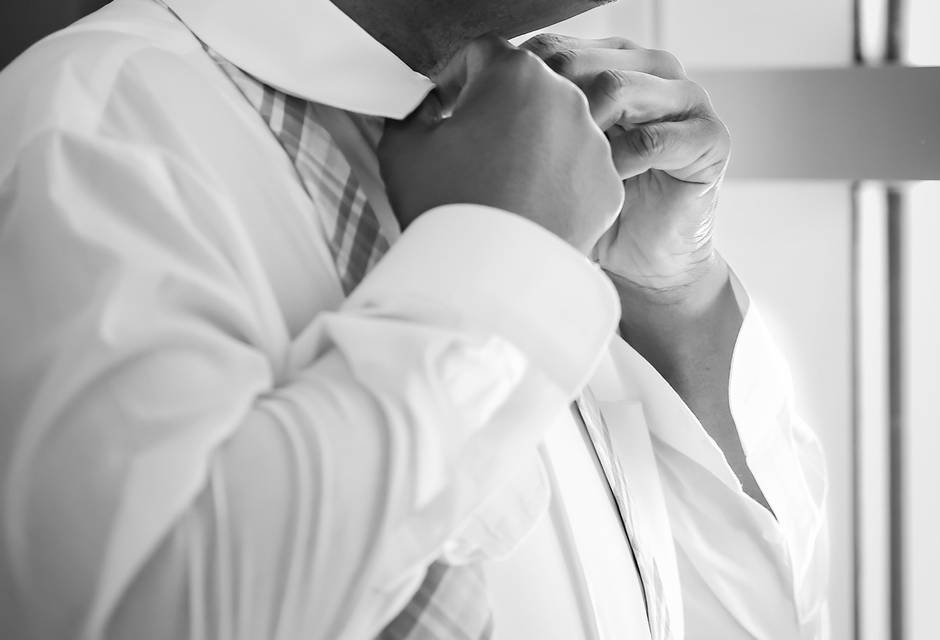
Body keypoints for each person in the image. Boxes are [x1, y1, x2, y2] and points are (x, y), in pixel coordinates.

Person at [0, 0, 828, 638]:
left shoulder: (543, 154)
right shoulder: (92, 124)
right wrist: (496, 258)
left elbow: (760, 618)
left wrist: (672, 300)